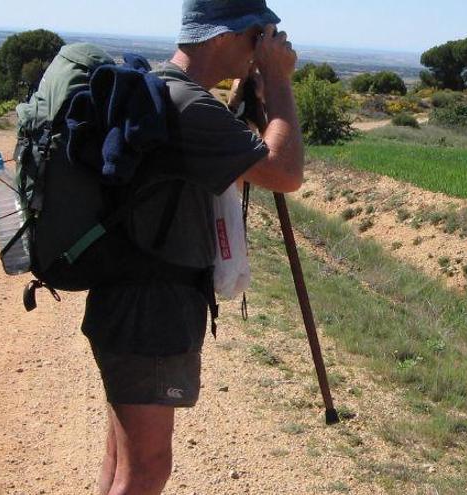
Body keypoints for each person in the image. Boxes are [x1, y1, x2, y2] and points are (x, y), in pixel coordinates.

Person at [80, 1, 304, 494]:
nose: (262, 47)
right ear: (225, 35)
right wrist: (280, 83)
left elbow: (223, 159)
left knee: (122, 460)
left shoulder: (165, 90)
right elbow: (285, 173)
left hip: (129, 299)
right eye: (259, 35)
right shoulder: (189, 105)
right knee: (146, 468)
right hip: (153, 310)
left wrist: (251, 95)